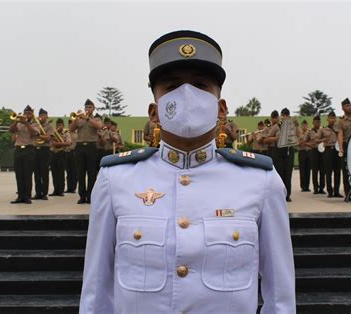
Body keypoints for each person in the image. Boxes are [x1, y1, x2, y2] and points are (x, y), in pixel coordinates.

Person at [80, 30, 295, 314]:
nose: (187, 94)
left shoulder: (260, 180)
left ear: (221, 108)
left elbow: (280, 296)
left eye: (200, 84)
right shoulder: (115, 179)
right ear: (154, 111)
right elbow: (96, 290)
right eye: (171, 86)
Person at [69, 99, 103, 204]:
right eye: (86, 107)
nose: (87, 109)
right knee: (80, 172)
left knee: (91, 173)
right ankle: (82, 196)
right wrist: (76, 118)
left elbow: (99, 126)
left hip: (91, 147)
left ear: (93, 108)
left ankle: (90, 196)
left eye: (89, 107)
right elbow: (71, 129)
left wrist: (87, 118)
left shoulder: (96, 119)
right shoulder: (79, 119)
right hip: (79, 147)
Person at [9, 105, 40, 204]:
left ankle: (27, 196)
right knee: (19, 174)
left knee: (27, 174)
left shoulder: (35, 124)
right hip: (18, 149)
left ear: (32, 114)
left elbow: (34, 133)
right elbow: (11, 130)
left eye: (29, 113)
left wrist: (26, 123)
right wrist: (16, 121)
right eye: (25, 113)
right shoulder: (19, 123)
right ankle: (20, 196)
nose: (27, 115)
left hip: (29, 149)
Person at [274, 107, 297, 202]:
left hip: (289, 151)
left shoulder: (292, 125)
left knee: (288, 174)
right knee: (279, 173)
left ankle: (287, 195)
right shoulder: (276, 126)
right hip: (279, 151)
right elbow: (268, 137)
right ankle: (279, 194)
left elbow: (298, 135)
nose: (284, 117)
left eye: (286, 115)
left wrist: (295, 126)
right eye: (283, 115)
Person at [317, 111, 342, 198]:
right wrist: (323, 139)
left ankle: (337, 191)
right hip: (328, 151)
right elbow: (316, 140)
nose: (332, 119)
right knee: (328, 172)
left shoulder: (339, 129)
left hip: (337, 151)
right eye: (331, 118)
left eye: (334, 118)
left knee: (338, 172)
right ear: (327, 119)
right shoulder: (323, 129)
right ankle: (330, 191)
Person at [32, 108, 53, 200]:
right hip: (36, 149)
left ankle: (44, 193)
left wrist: (38, 135)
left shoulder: (49, 126)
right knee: (36, 172)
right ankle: (37, 192)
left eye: (43, 115)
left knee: (44, 172)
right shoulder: (35, 125)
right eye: (40, 115)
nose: (41, 117)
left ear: (47, 116)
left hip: (45, 149)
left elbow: (48, 138)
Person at [50, 118, 72, 196]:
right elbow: (52, 143)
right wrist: (62, 144)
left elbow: (69, 142)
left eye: (60, 125)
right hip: (53, 153)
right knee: (54, 172)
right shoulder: (53, 133)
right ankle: (55, 190)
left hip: (62, 153)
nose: (59, 126)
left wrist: (59, 144)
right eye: (58, 125)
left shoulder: (66, 133)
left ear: (63, 125)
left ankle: (61, 190)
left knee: (60, 172)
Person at [305, 115, 325, 194]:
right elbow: (305, 141)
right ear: (313, 122)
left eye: (319, 122)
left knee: (322, 171)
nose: (318, 123)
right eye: (316, 122)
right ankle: (316, 188)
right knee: (315, 170)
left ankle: (322, 188)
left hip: (322, 151)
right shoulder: (310, 131)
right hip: (314, 151)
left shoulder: (323, 130)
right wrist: (310, 145)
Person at [298, 119, 311, 192]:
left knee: (308, 170)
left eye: (305, 125)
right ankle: (303, 186)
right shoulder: (299, 133)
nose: (304, 126)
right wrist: (301, 142)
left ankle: (307, 186)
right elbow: (297, 143)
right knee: (302, 170)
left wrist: (305, 143)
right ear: (301, 126)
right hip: (302, 151)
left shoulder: (309, 132)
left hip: (308, 151)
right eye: (303, 125)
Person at [65, 119, 78, 193]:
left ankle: (73, 187)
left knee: (74, 171)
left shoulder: (78, 133)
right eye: (69, 124)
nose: (70, 126)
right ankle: (69, 188)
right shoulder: (66, 133)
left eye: (71, 124)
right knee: (68, 171)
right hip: (67, 152)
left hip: (74, 152)